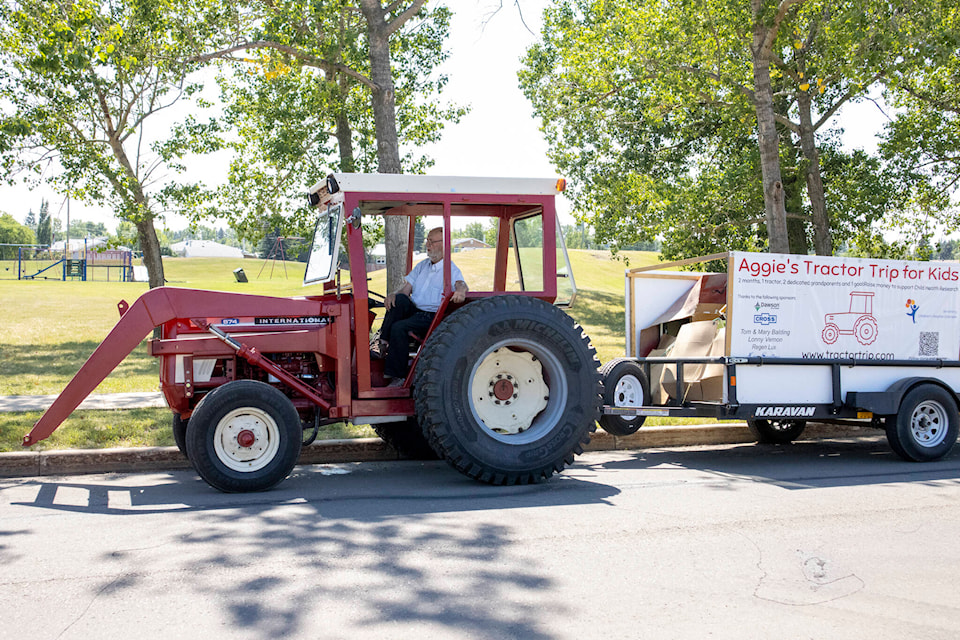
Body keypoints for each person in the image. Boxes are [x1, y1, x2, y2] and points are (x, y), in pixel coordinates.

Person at [379, 227, 468, 386]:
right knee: (398, 299)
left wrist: (461, 291)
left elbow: (460, 284)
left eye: (432, 241)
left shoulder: (450, 269)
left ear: (443, 245)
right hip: (415, 311)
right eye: (427, 240)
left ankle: (397, 377)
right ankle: (383, 342)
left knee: (399, 327)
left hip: (432, 316)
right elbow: (406, 290)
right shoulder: (422, 266)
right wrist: (393, 295)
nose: (427, 245)